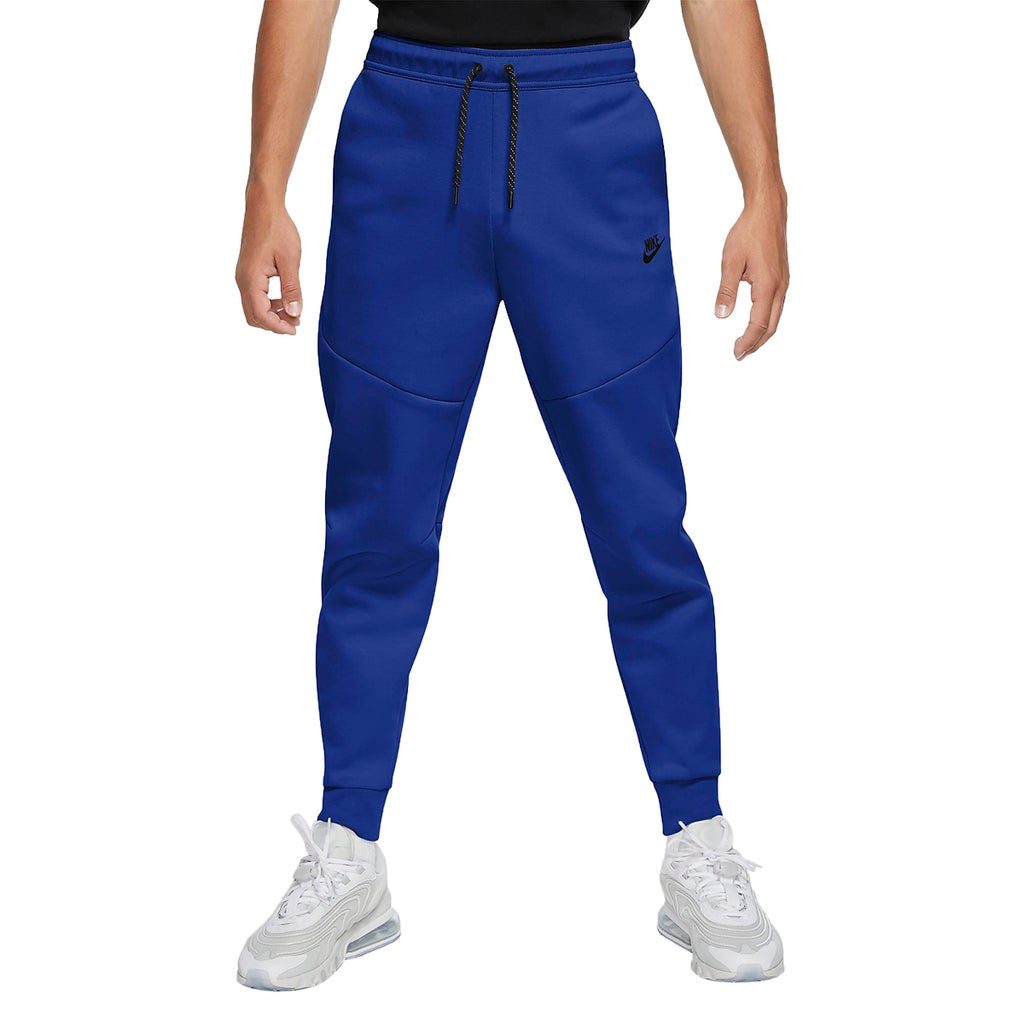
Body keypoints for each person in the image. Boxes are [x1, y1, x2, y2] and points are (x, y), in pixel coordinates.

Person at [234, 0, 789, 989]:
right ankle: (347, 845)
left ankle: (698, 834)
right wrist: (264, 187)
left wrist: (764, 190)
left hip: (589, 139)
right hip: (404, 138)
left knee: (640, 523)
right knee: (376, 526)